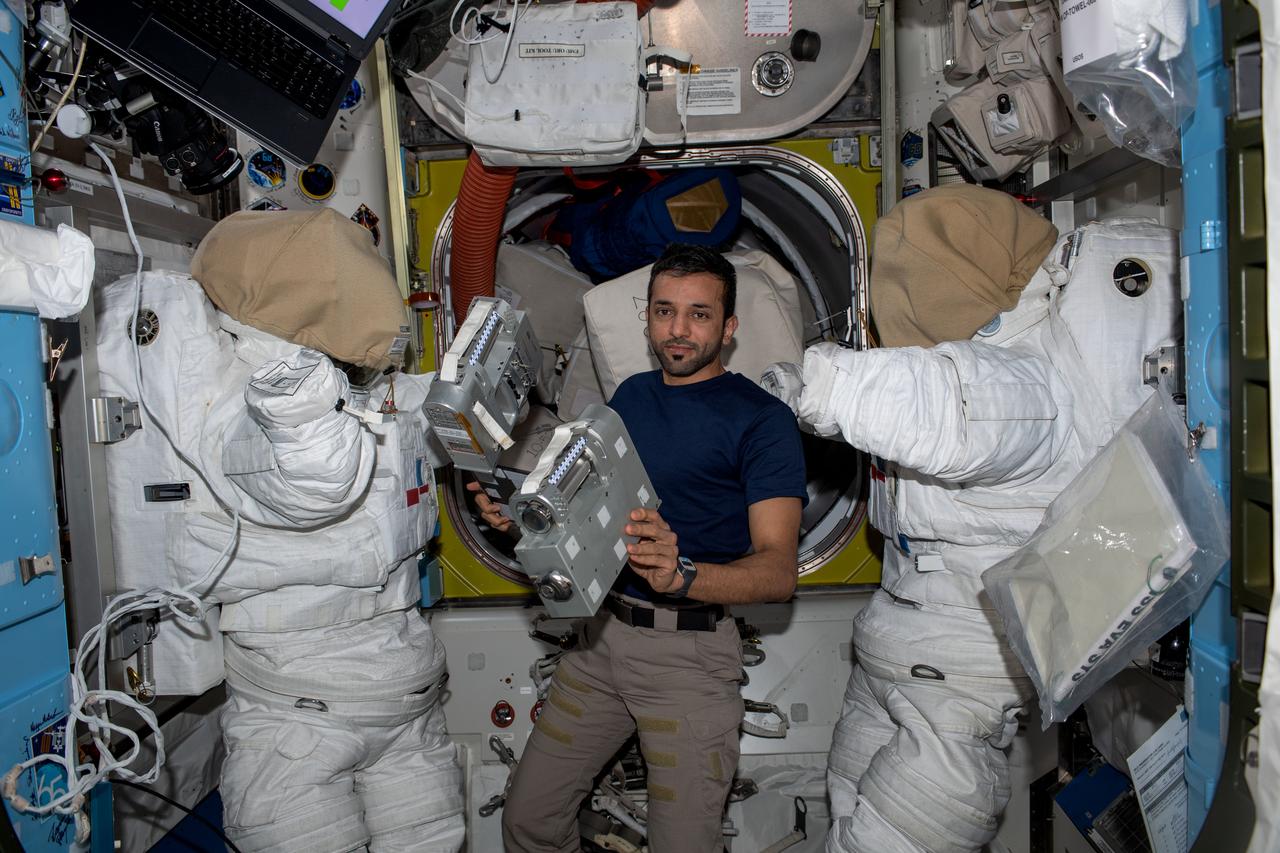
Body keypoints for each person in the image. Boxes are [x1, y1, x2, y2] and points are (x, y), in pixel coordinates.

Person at [763, 185, 1182, 853]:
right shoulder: (1014, 368)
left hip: (955, 688)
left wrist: (813, 386)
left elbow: (941, 403)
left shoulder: (1027, 389)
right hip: (898, 649)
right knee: (843, 801)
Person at [97, 209, 464, 853]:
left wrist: (297, 406)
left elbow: (309, 479)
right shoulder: (373, 393)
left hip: (303, 703)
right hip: (405, 682)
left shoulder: (263, 401)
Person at [479, 243, 807, 853]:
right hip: (601, 646)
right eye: (664, 311)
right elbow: (589, 524)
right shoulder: (630, 396)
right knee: (529, 822)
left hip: (689, 661)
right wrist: (520, 522)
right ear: (649, 318)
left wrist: (681, 575)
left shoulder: (761, 421)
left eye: (700, 314)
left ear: (729, 327)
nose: (678, 331)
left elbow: (777, 571)